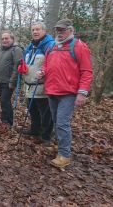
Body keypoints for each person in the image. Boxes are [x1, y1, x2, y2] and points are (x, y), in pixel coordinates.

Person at [37, 19, 92, 168]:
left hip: (68, 92)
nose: (60, 33)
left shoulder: (79, 46)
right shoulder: (52, 46)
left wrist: (82, 93)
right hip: (51, 90)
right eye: (58, 30)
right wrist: (42, 71)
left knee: (62, 123)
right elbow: (46, 64)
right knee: (56, 121)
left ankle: (65, 155)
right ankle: (60, 146)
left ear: (70, 30)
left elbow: (86, 71)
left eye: (63, 30)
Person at [19, 22, 54, 145]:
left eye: (38, 29)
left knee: (45, 112)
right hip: (29, 85)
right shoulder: (30, 46)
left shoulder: (50, 45)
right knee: (32, 109)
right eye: (33, 29)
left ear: (44, 31)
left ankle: (46, 135)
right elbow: (26, 62)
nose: (35, 32)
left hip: (42, 86)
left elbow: (52, 64)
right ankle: (35, 129)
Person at [0, 31, 22, 129]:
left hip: (8, 81)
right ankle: (5, 119)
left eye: (7, 38)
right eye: (3, 39)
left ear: (12, 39)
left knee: (4, 100)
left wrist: (12, 81)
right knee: (3, 100)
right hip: (0, 80)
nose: (4, 40)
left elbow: (17, 66)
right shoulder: (0, 51)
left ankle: (8, 121)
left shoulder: (16, 50)